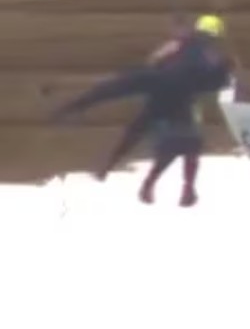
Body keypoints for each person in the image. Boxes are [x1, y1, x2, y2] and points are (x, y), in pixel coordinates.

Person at [50, 13, 234, 206]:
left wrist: (155, 66)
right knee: (179, 140)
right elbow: (215, 84)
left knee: (112, 92)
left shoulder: (184, 42)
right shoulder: (215, 58)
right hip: (180, 94)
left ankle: (73, 112)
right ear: (216, 37)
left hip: (160, 79)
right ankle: (179, 186)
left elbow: (156, 58)